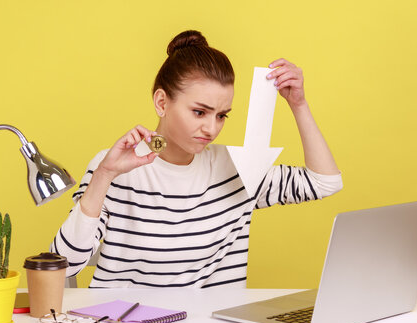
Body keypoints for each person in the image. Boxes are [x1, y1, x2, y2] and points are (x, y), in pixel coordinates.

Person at [51, 30, 343, 288]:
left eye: (221, 116)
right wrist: (103, 176)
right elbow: (64, 264)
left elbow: (324, 182)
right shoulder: (115, 165)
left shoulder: (237, 167)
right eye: (199, 112)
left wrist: (298, 104)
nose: (211, 128)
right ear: (162, 102)